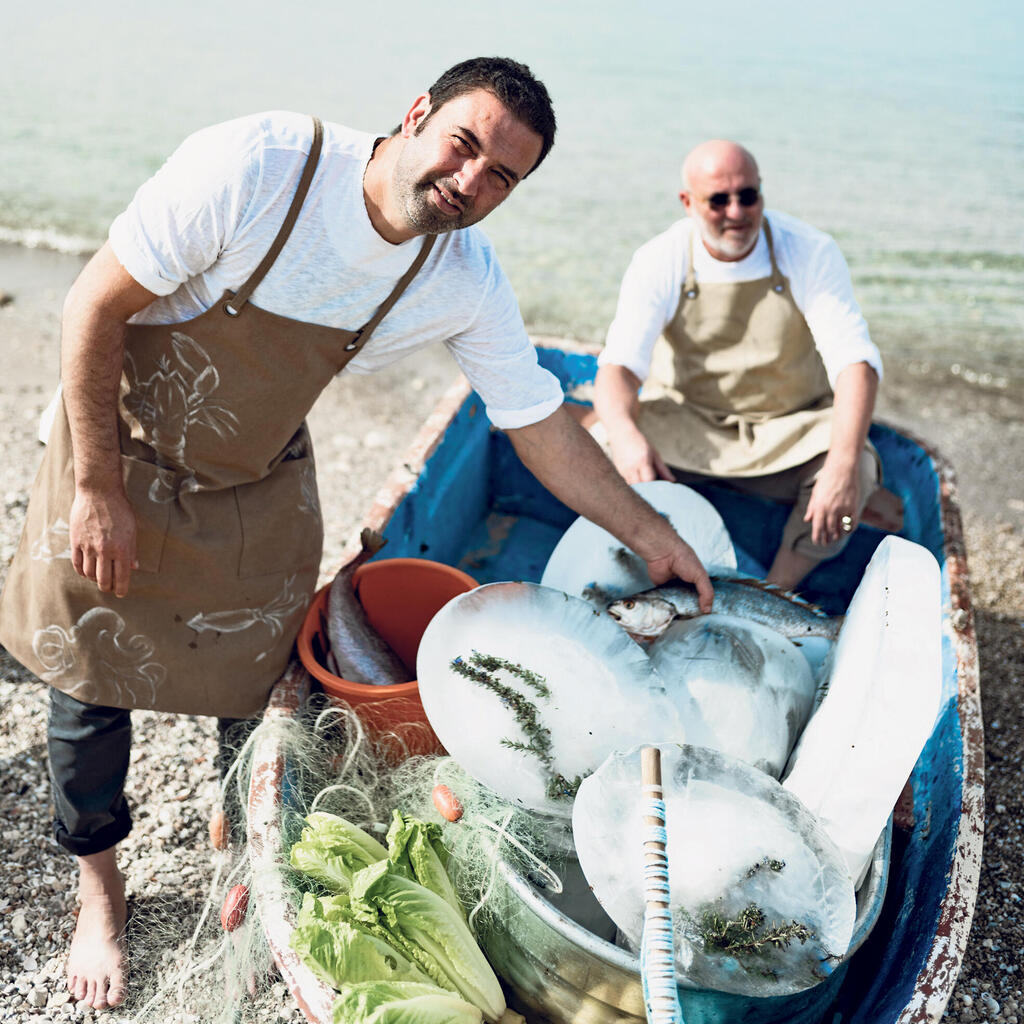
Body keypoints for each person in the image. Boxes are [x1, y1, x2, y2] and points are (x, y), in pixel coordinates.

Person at [0, 58, 712, 1010]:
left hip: (253, 481)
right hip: (114, 453)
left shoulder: (460, 275)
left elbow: (536, 421)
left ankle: (237, 858)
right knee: (86, 683)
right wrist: (95, 491)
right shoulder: (258, 166)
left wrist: (650, 531)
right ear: (415, 114)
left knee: (258, 692)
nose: (469, 182)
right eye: (463, 145)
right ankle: (100, 891)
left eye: (502, 176)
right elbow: (93, 304)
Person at [593, 139, 885, 590]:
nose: (737, 212)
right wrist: (629, 437)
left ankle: (775, 591)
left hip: (789, 428)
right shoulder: (660, 258)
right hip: (692, 425)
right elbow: (618, 369)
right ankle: (655, 561)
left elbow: (855, 364)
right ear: (687, 202)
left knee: (857, 469)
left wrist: (842, 464)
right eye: (718, 200)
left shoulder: (809, 250)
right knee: (602, 444)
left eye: (748, 195)